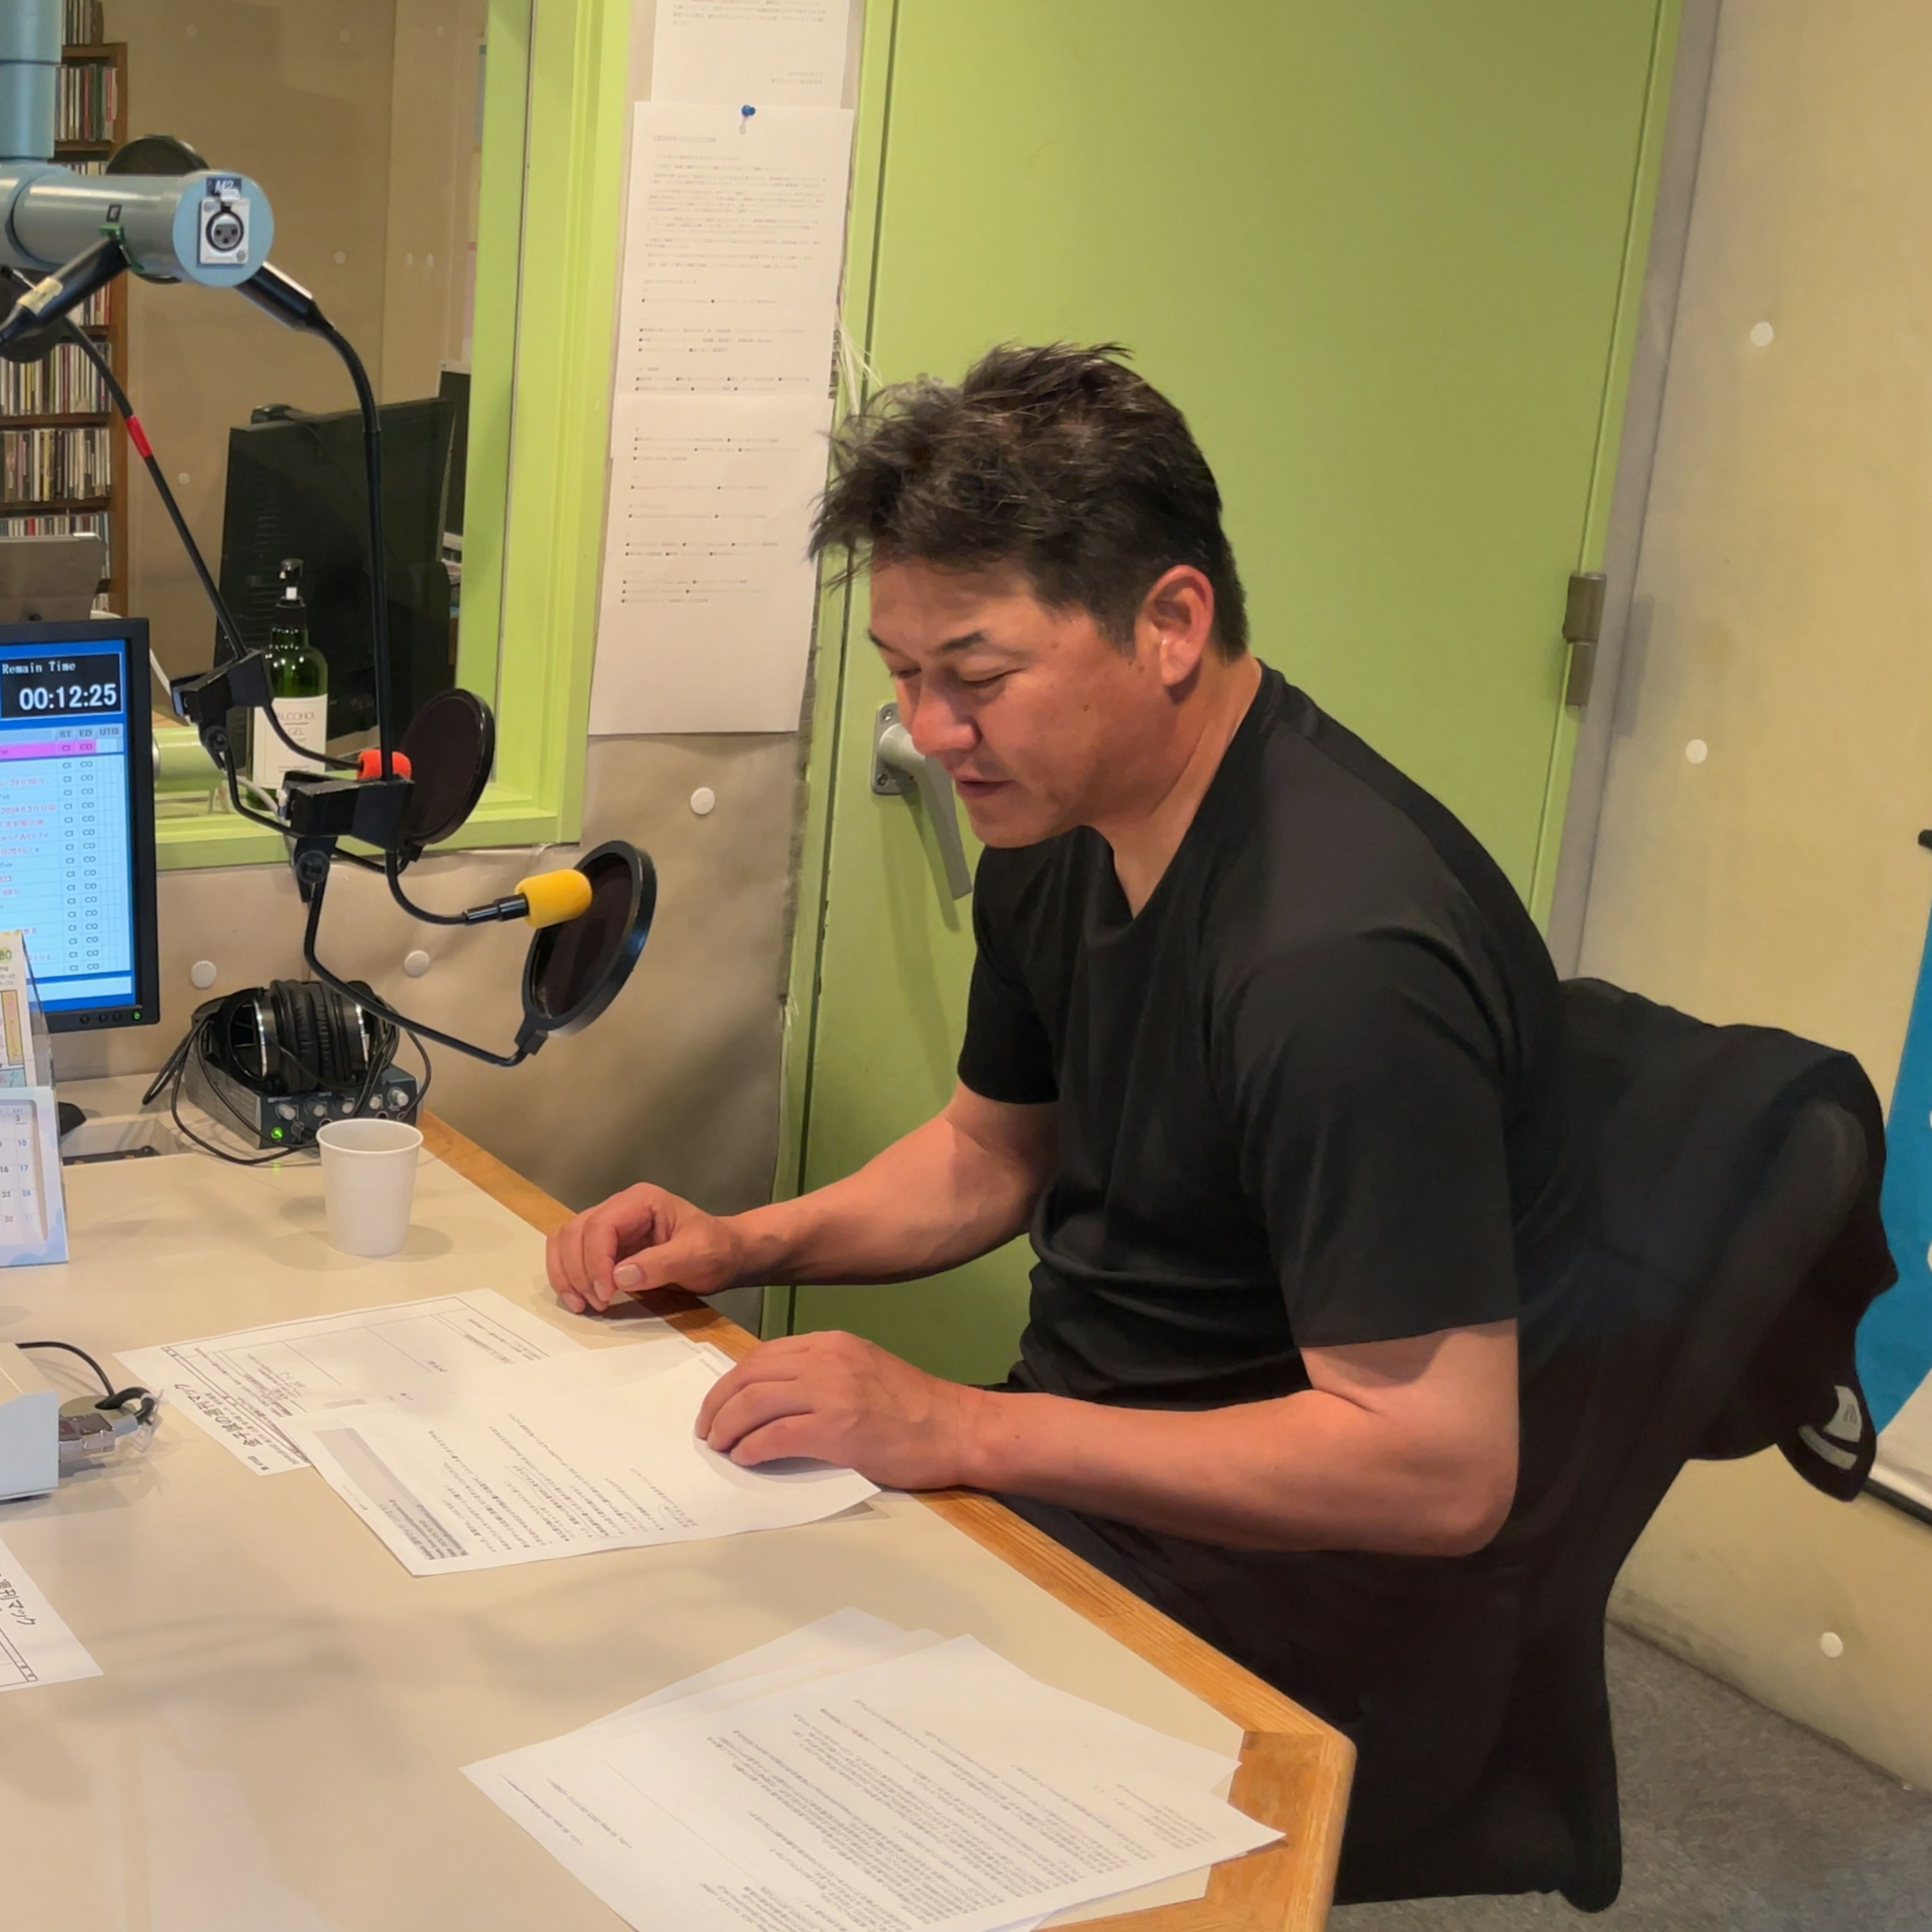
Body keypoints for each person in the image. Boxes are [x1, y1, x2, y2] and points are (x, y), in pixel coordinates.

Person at [547, 343, 1584, 1850]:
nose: (930, 731)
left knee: (738, 1809)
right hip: (1079, 1497)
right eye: (904, 676)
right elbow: (988, 1154)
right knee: (619, 1649)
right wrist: (740, 1242)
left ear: (1171, 624)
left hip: (1283, 1606)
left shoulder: (1339, 961)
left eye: (976, 679)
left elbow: (1436, 1469)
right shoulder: (1059, 829)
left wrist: (960, 1428)